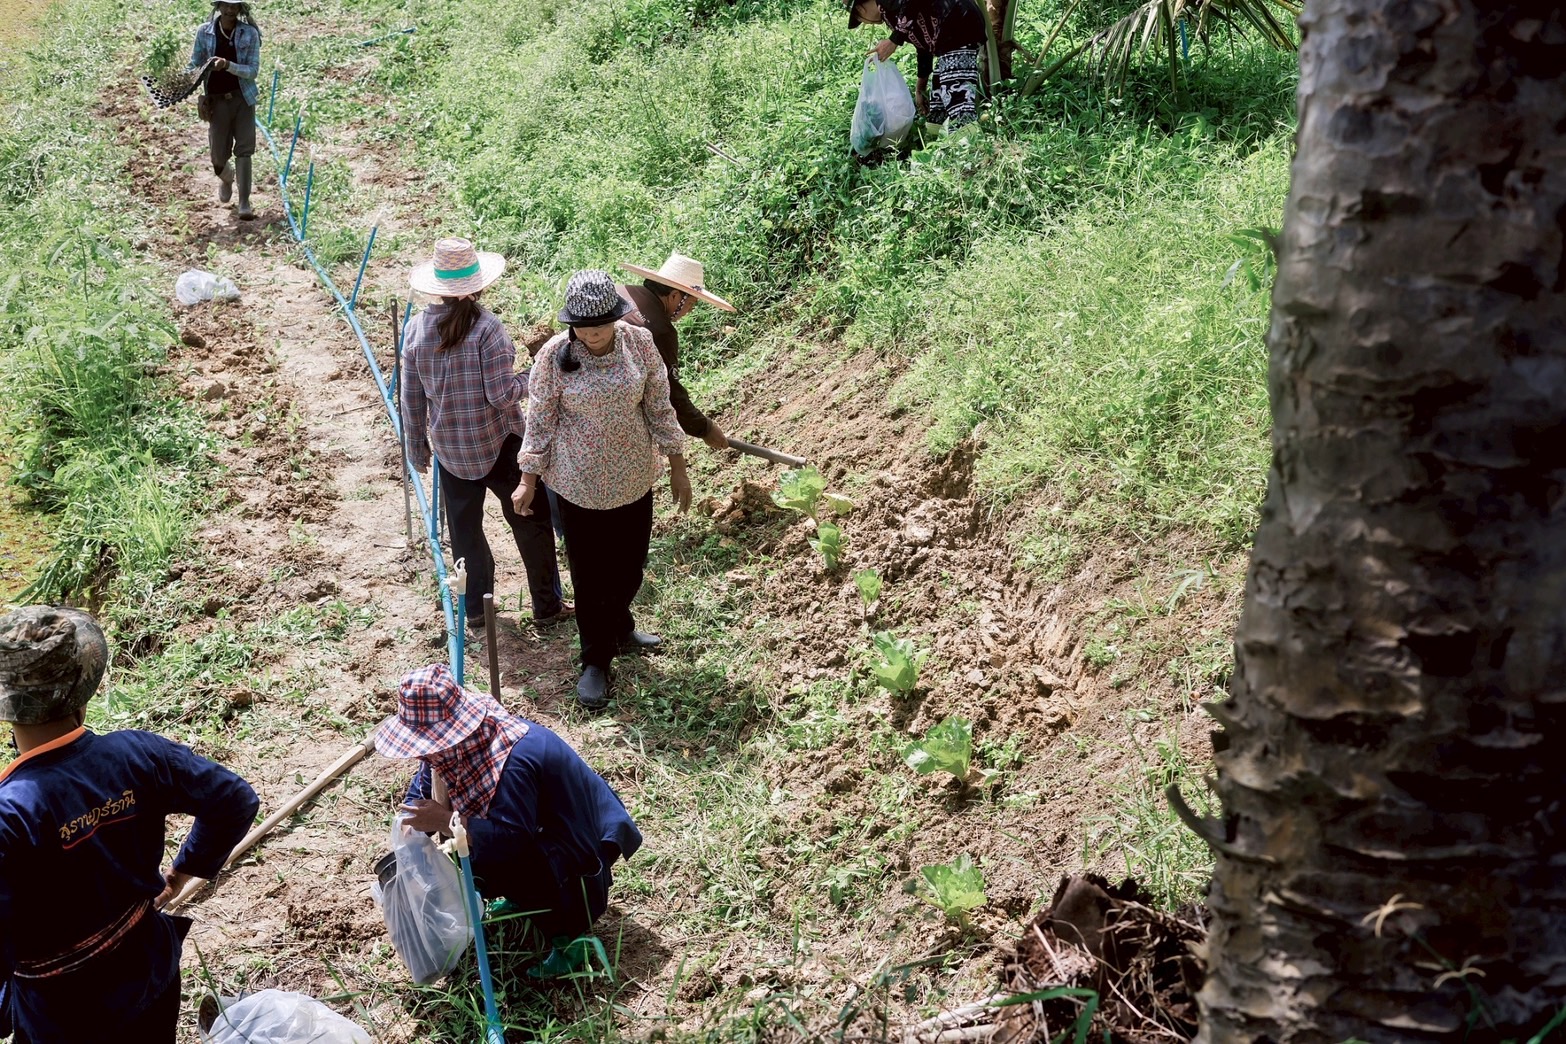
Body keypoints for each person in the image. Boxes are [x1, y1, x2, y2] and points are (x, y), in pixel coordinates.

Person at [0, 606, 259, 1043]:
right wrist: (183, 870)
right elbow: (233, 799)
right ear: (83, 689)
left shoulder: (11, 813)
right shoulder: (139, 754)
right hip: (146, 970)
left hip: (62, 1012)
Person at [512, 270, 691, 710]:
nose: (591, 335)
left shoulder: (639, 344)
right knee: (591, 576)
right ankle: (596, 660)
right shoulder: (555, 355)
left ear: (615, 318)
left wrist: (677, 466)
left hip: (633, 477)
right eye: (583, 328)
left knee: (629, 567)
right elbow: (540, 421)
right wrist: (527, 479)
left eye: (600, 327)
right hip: (578, 484)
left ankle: (621, 626)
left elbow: (659, 407)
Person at [377, 664, 641, 947]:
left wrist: (445, 821)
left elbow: (512, 838)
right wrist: (412, 814)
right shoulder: (456, 746)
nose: (424, 753)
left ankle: (569, 944)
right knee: (477, 853)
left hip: (575, 844)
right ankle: (523, 899)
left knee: (503, 859)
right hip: (536, 828)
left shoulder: (511, 761)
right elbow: (428, 774)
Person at [402, 237, 572, 631]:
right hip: (499, 443)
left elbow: (411, 397)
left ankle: (476, 610)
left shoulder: (415, 330)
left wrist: (416, 446)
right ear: (477, 286)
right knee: (530, 520)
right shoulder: (488, 329)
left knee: (465, 532)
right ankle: (546, 606)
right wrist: (533, 377)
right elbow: (501, 395)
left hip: (451, 448)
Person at [617, 252, 738, 452]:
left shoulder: (621, 290)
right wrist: (704, 428)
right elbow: (668, 391)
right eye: (691, 304)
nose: (689, 311)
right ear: (674, 296)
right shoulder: (659, 330)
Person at [849, 0, 988, 130]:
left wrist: (894, 40)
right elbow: (923, 45)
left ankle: (968, 142)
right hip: (947, 41)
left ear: (860, 9)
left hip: (959, 24)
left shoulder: (888, 2)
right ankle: (946, 144)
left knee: (956, 101)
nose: (866, 23)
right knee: (936, 115)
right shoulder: (890, 14)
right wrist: (920, 86)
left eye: (860, 19)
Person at [190, 1, 263, 219]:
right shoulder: (205, 32)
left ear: (240, 9)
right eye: (226, 5)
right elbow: (195, 63)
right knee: (218, 157)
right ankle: (227, 177)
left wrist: (227, 65)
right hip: (217, 101)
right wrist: (185, 82)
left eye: (235, 6)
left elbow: (252, 71)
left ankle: (244, 202)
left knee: (244, 149)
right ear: (219, 6)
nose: (230, 10)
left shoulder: (249, 34)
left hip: (242, 98)